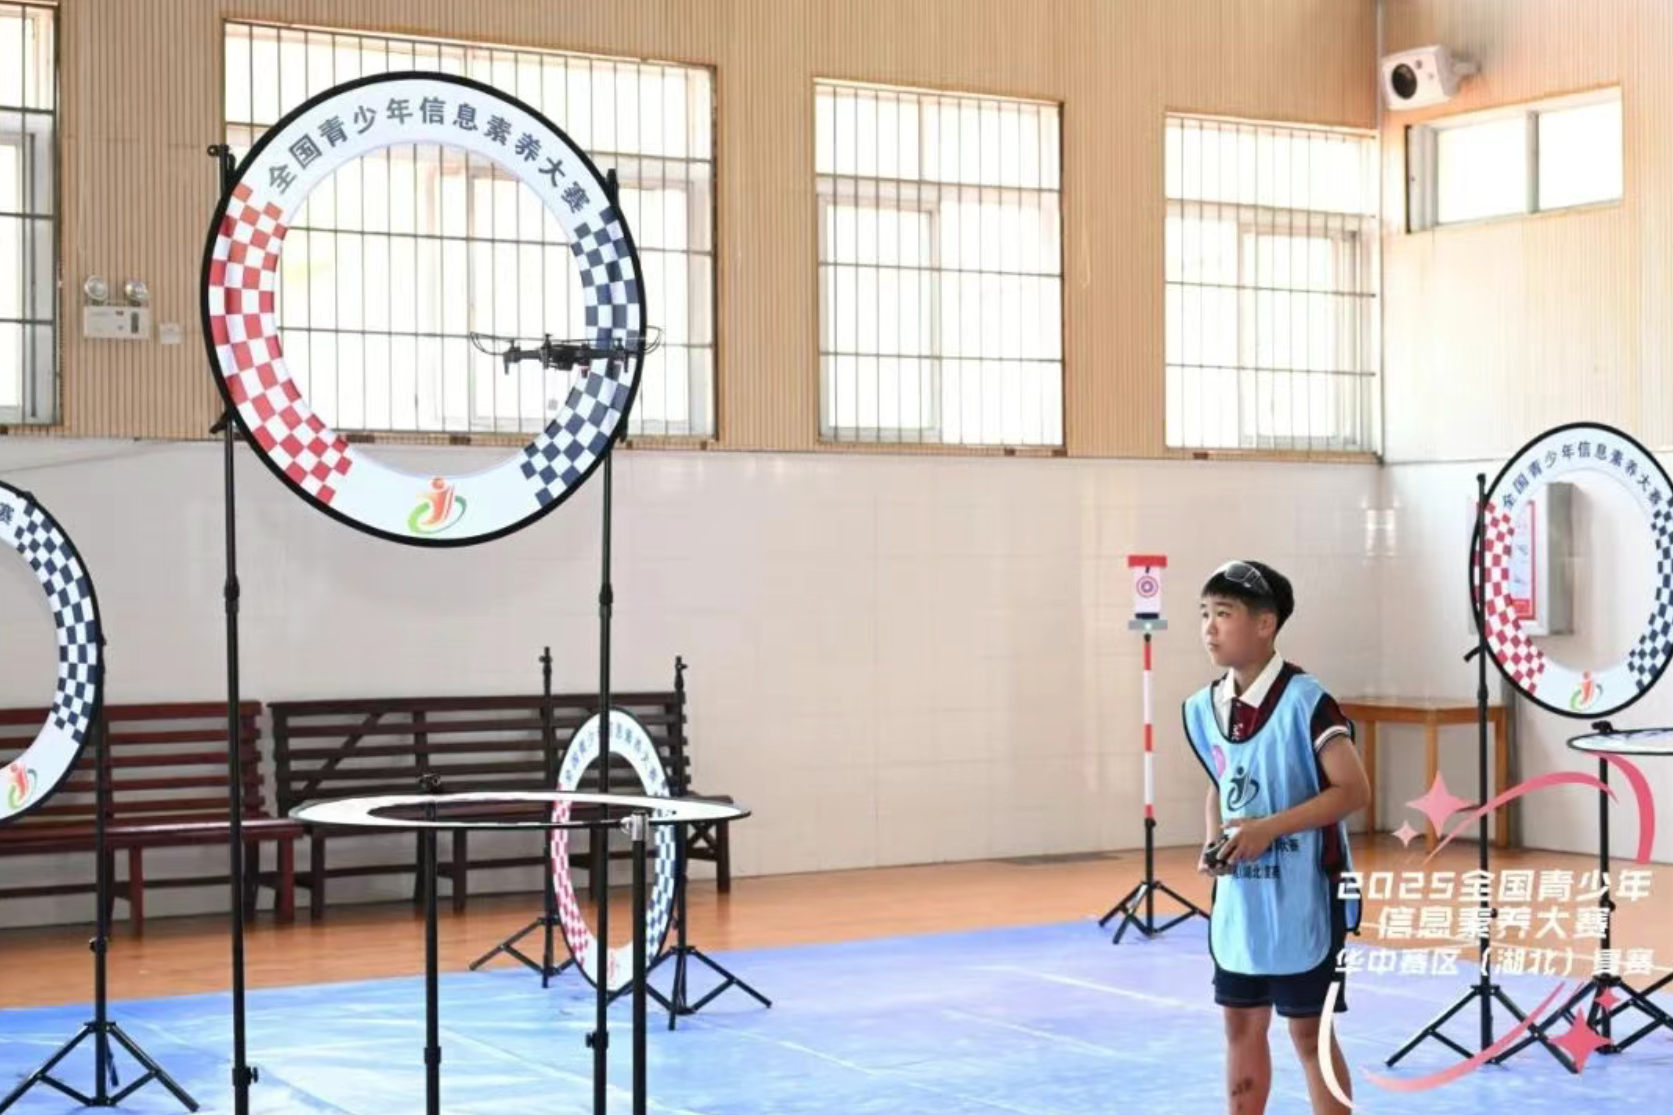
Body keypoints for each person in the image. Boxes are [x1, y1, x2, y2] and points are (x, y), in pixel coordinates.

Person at [1182, 560, 1370, 1115]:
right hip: (1242, 900)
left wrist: (1268, 829)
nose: (1209, 628)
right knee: (1240, 1026)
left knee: (1309, 1035)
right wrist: (1215, 841)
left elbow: (1353, 790)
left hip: (1305, 896)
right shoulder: (1204, 707)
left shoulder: (1307, 701)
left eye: (1223, 614)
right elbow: (1221, 784)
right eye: (1204, 614)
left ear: (1265, 624)